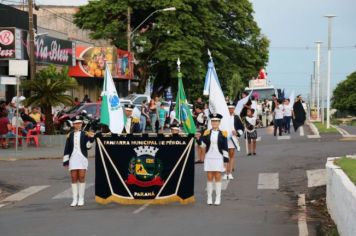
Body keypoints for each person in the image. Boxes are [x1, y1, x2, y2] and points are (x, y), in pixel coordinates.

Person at [196, 113, 229, 206]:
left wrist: (225, 161)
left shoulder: (223, 134)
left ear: (219, 122)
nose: (214, 123)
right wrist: (198, 140)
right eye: (213, 121)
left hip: (218, 157)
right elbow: (203, 145)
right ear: (211, 122)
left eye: (216, 121)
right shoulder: (206, 133)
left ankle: (218, 198)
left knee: (218, 177)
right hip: (209, 157)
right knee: (210, 177)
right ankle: (209, 197)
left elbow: (225, 148)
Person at [63, 116, 95, 207]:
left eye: (79, 123)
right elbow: (67, 148)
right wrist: (66, 160)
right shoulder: (70, 135)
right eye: (76, 123)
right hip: (73, 157)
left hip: (82, 157)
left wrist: (91, 139)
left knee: (81, 176)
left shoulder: (85, 134)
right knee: (73, 177)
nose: (78, 125)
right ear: (73, 124)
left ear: (82, 124)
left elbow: (88, 147)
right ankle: (74, 199)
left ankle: (81, 198)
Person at [223, 102, 244, 180]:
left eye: (232, 108)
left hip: (233, 139)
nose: (230, 110)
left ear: (234, 109)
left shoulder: (236, 117)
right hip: (225, 138)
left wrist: (237, 132)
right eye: (229, 108)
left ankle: (230, 173)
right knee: (225, 155)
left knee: (231, 155)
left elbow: (242, 128)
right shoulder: (223, 118)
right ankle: (226, 173)